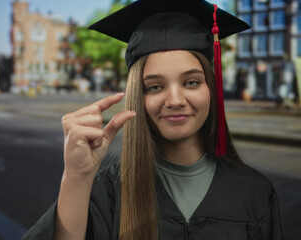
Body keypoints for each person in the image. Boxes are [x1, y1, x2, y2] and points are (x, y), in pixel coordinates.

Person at [22, 0, 284, 239]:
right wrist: (77, 178)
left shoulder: (255, 193)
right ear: (138, 95)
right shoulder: (108, 193)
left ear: (212, 88)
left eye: (191, 82)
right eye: (155, 87)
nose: (175, 100)